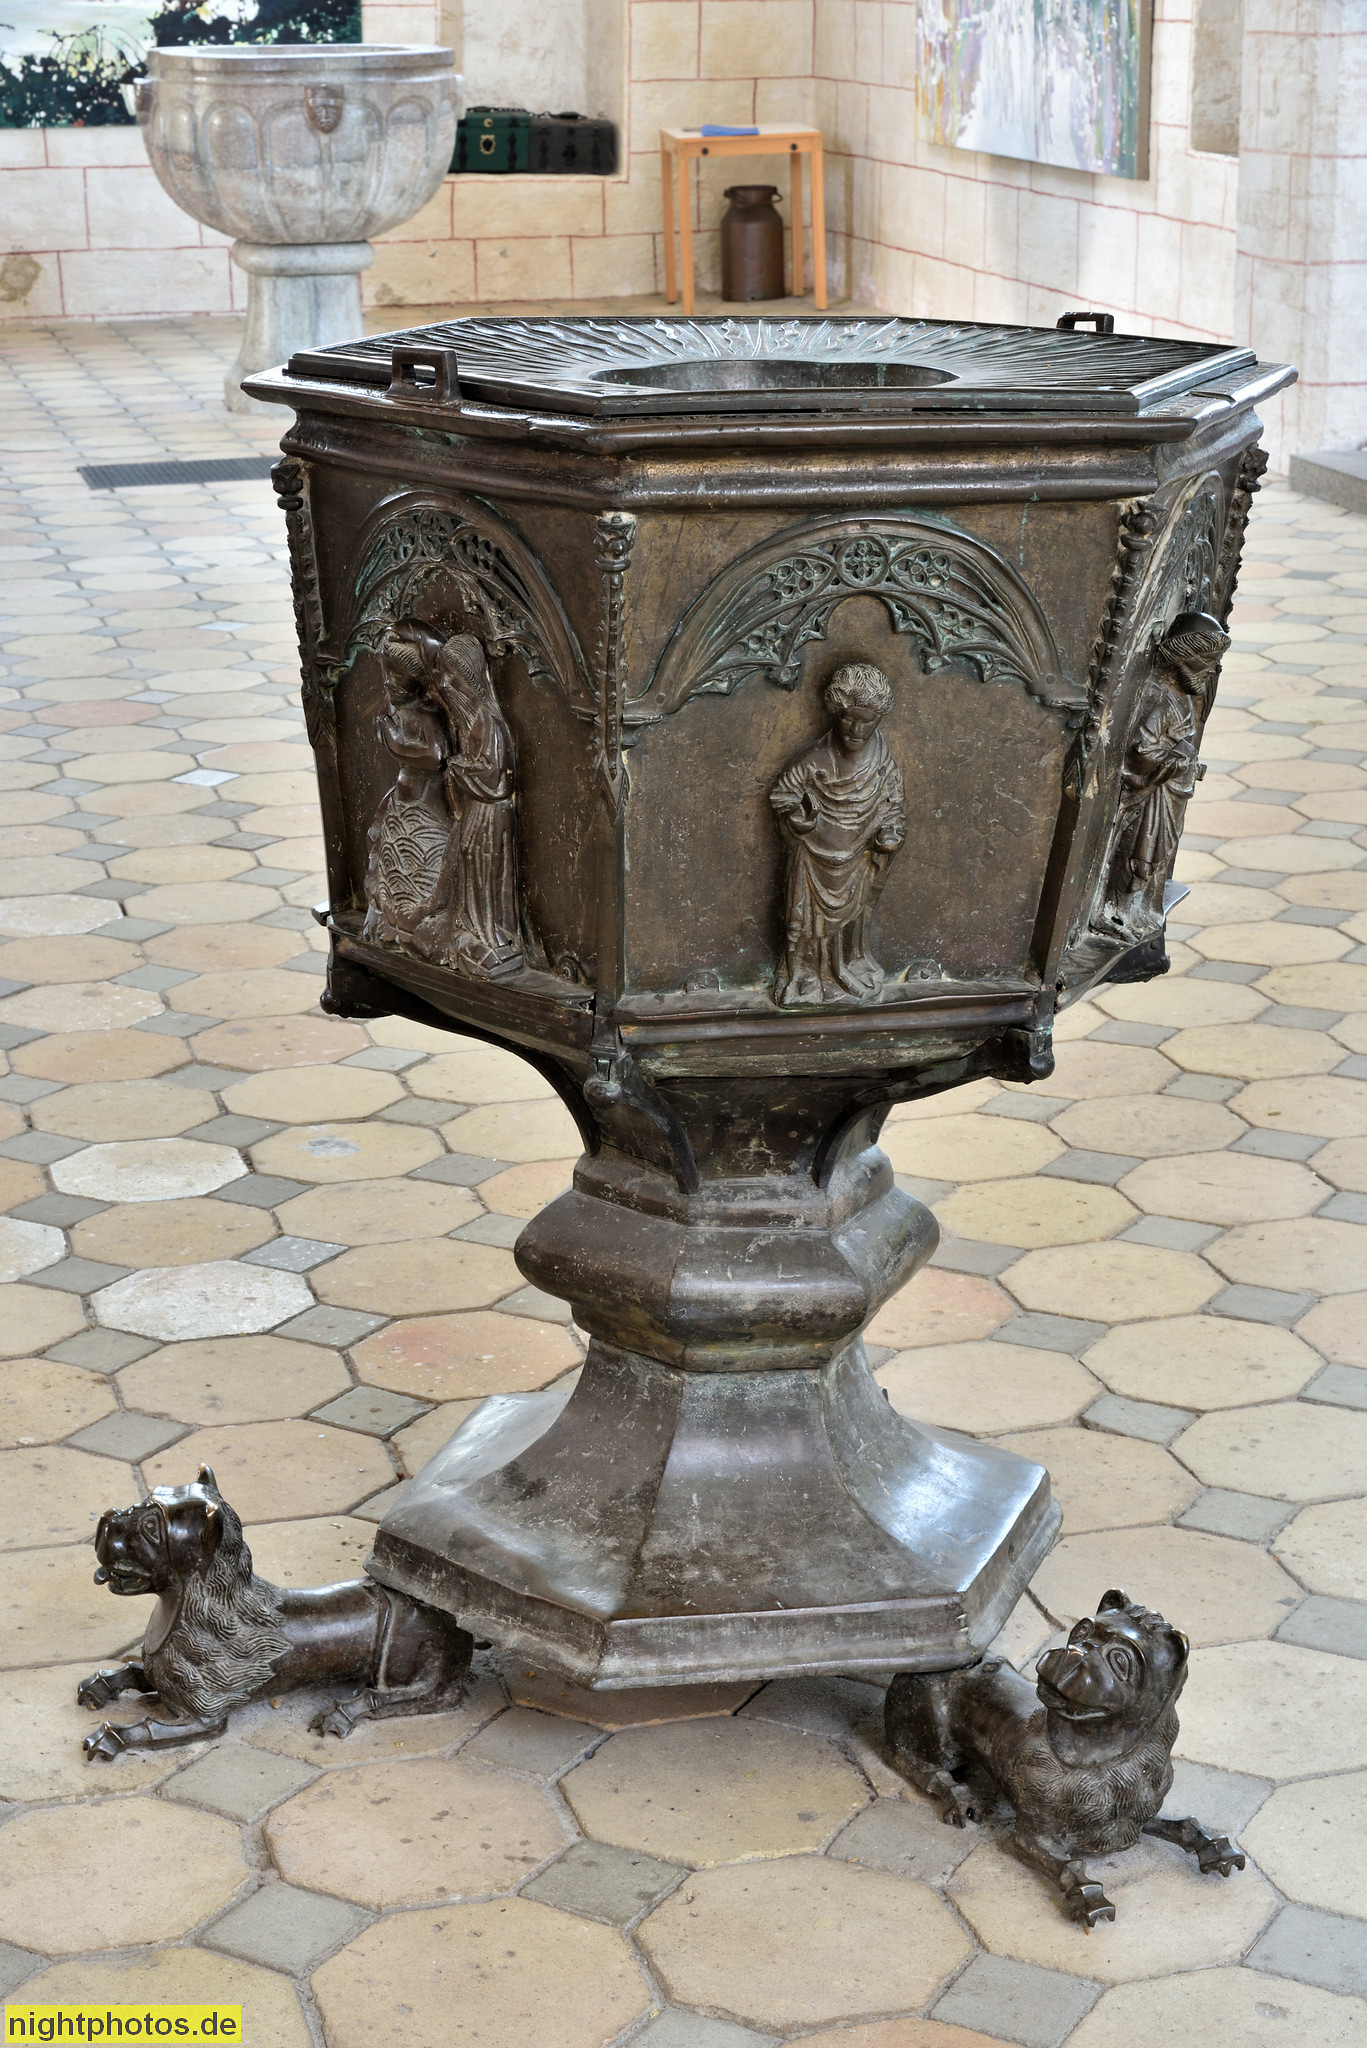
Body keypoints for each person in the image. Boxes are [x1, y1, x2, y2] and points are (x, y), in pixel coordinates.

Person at [770, 662, 906, 1005]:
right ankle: (806, 977)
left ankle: (845, 968)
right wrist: (798, 820)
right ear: (835, 713)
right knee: (807, 923)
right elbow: (783, 796)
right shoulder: (814, 759)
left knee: (851, 922)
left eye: (866, 721)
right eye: (847, 718)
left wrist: (889, 833)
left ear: (879, 718)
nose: (855, 729)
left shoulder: (882, 762)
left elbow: (892, 806)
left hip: (858, 859)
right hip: (814, 861)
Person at [1106, 609, 1229, 936]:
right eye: (1208, 662)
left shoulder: (1181, 699)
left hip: (1170, 793)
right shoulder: (1161, 700)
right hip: (1152, 795)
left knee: (1156, 856)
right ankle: (1119, 912)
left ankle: (1137, 908)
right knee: (1140, 854)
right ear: (1184, 659)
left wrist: (1186, 762)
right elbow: (1141, 751)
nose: (1212, 671)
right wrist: (1176, 761)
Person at [431, 632, 524, 979]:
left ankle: (492, 934)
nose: (445, 683)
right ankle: (474, 929)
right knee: (471, 859)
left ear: (470, 678)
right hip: (477, 808)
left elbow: (498, 779)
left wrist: (458, 768)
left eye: (452, 676)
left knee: (486, 866)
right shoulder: (471, 720)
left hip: (490, 811)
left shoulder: (488, 721)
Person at [361, 620, 453, 958]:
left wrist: (394, 743)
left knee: (422, 861)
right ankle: (389, 917)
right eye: (386, 675)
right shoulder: (398, 707)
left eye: (397, 676)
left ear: (418, 681)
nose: (388, 683)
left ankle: (415, 925)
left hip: (425, 806)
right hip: (403, 800)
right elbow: (382, 726)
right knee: (385, 849)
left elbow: (435, 756)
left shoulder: (424, 715)